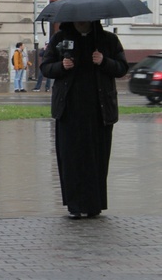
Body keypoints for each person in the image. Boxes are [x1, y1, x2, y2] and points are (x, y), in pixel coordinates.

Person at [40, 21, 128, 219]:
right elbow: (45, 67)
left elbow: (122, 68)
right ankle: (74, 205)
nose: (82, 22)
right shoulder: (60, 38)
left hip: (99, 111)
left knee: (97, 158)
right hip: (69, 110)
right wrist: (61, 66)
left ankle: (94, 205)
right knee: (71, 158)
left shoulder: (108, 40)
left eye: (86, 18)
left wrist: (104, 61)